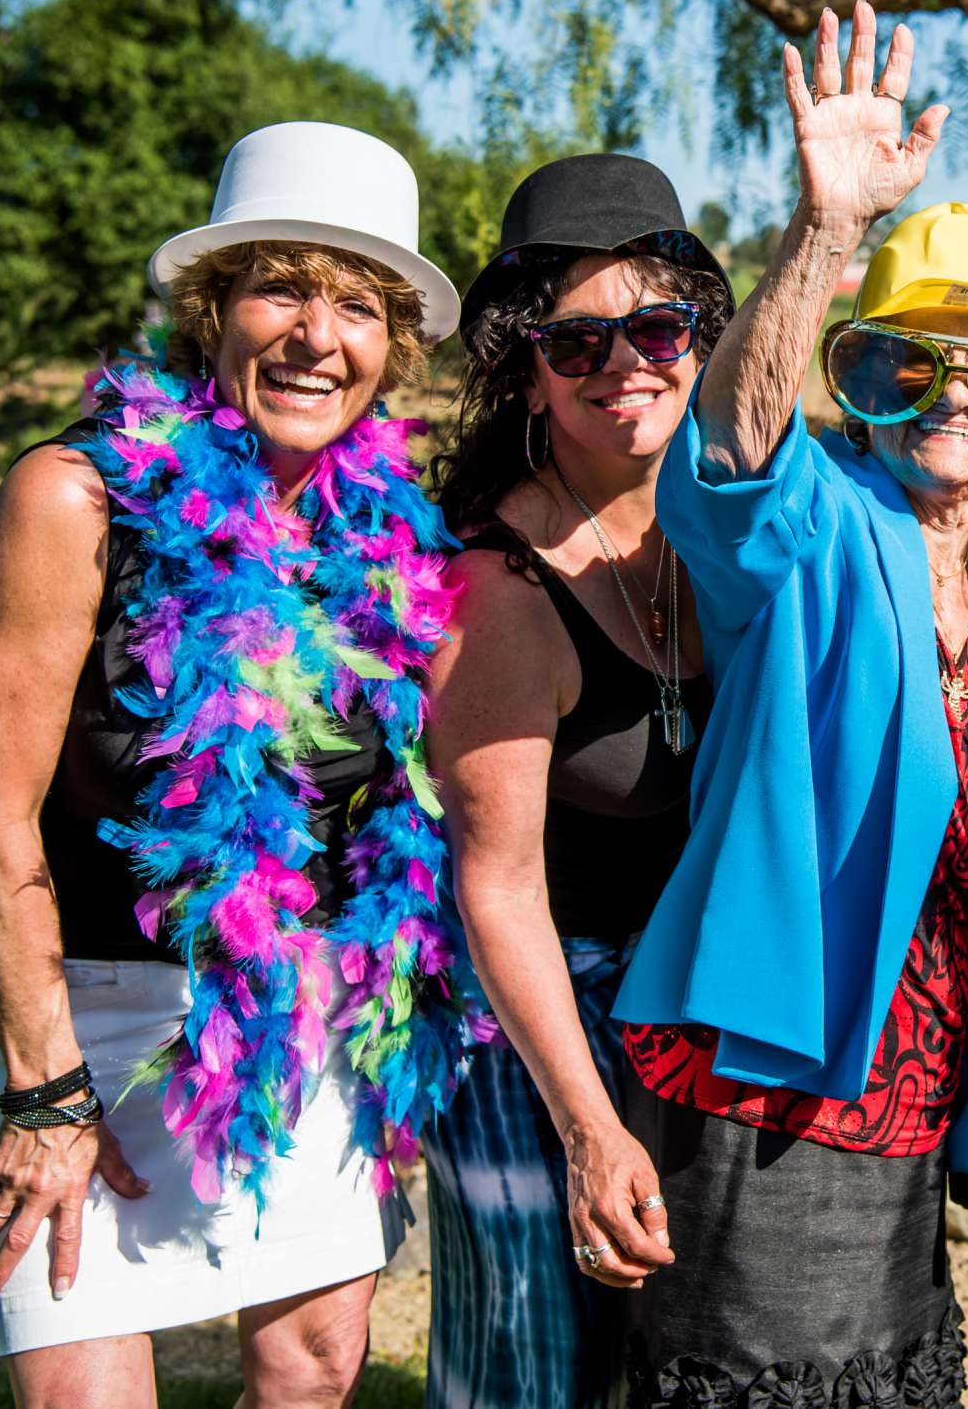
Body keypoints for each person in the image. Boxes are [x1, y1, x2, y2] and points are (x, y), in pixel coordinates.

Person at [0, 120, 490, 1406]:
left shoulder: (386, 539)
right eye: (281, 287)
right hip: (81, 1012)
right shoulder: (74, 500)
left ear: (392, 347)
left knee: (315, 1366)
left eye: (359, 304)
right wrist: (42, 1089)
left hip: (295, 1014)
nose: (317, 334)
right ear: (212, 307)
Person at [606, 2, 968, 1407]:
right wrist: (824, 233)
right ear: (861, 383)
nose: (954, 395)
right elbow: (731, 450)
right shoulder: (819, 523)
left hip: (913, 1090)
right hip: (766, 1074)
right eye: (909, 360)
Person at [418, 155, 732, 1409]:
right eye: (576, 339)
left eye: (657, 327)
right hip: (519, 1012)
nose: (626, 364)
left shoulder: (718, 525)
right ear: (524, 362)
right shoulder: (497, 587)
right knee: (530, 1362)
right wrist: (589, 1127)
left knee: (661, 1353)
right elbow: (494, 891)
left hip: (675, 999)